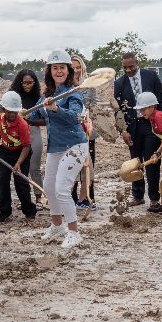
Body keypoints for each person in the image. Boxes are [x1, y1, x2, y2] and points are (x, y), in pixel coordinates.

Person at [30, 50, 88, 249]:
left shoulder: (74, 91)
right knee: (48, 187)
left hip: (75, 145)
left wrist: (55, 108)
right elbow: (36, 113)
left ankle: (74, 232)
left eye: (62, 67)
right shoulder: (48, 94)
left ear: (68, 70)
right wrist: (22, 114)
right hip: (55, 147)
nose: (59, 71)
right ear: (50, 71)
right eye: (55, 68)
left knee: (62, 189)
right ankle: (57, 226)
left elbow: (75, 116)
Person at [114, 52, 162, 209]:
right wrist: (123, 131)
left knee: (151, 162)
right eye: (125, 68)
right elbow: (117, 110)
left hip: (151, 124)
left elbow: (161, 101)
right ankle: (137, 195)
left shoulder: (151, 76)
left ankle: (154, 198)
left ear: (137, 63)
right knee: (135, 162)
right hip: (132, 128)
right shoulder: (119, 83)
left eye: (131, 66)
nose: (128, 70)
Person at [0, 91, 36, 223]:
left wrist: (19, 163)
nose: (12, 114)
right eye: (9, 111)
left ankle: (30, 211)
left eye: (14, 112)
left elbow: (26, 146)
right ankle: (4, 212)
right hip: (5, 152)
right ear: (4, 109)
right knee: (2, 181)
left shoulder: (23, 125)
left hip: (22, 153)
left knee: (21, 182)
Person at [9, 69, 45, 206]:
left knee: (34, 168)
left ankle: (38, 198)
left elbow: (46, 120)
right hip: (16, 135)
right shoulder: (13, 97)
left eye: (30, 83)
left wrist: (30, 121)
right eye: (25, 83)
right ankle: (25, 200)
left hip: (33, 132)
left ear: (35, 83)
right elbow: (4, 115)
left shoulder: (39, 99)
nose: (28, 85)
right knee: (20, 169)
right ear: (20, 82)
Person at [70, 54, 98, 211]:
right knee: (72, 164)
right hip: (70, 132)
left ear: (82, 68)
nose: (75, 70)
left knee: (88, 164)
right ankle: (71, 199)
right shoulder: (64, 86)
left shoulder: (89, 85)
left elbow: (92, 105)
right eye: (72, 68)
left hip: (87, 129)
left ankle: (87, 198)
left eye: (78, 67)